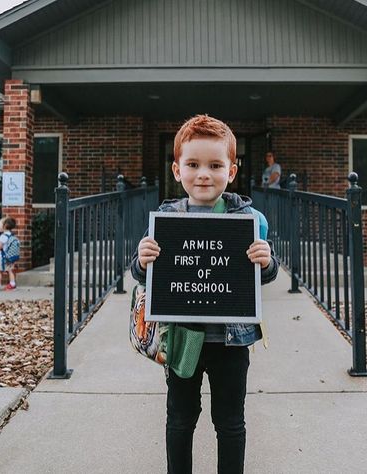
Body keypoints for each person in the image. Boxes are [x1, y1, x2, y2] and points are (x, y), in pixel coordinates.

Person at [131, 114, 279, 474]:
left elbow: (265, 275)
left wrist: (266, 262)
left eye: (215, 165)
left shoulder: (245, 217)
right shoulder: (166, 217)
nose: (203, 174)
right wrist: (141, 259)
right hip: (183, 338)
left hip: (230, 341)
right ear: (177, 170)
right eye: (193, 164)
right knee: (180, 419)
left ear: (231, 171)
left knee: (229, 421)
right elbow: (143, 275)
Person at [0, 216, 17, 291]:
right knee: (10, 270)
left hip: (3, 258)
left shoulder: (3, 236)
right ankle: (12, 284)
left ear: (5, 226)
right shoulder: (11, 235)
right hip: (10, 257)